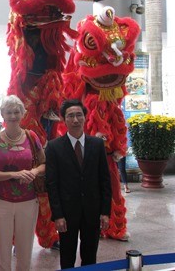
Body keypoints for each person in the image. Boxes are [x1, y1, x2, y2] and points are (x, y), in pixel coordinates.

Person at [45, 99, 112, 269]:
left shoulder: (97, 145)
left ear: (84, 117)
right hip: (67, 214)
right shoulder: (54, 147)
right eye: (70, 116)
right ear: (64, 119)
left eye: (79, 115)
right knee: (67, 256)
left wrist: (105, 212)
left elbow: (105, 179)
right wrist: (58, 215)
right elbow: (52, 184)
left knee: (90, 255)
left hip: (92, 210)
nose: (75, 120)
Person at [0, 95, 45, 270]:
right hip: (1, 202)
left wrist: (33, 171)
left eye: (16, 112)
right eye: (9, 112)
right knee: (2, 253)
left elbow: (44, 164)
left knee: (25, 251)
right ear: (3, 114)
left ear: (22, 114)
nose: (12, 116)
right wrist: (13, 174)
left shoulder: (31, 137)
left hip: (28, 202)